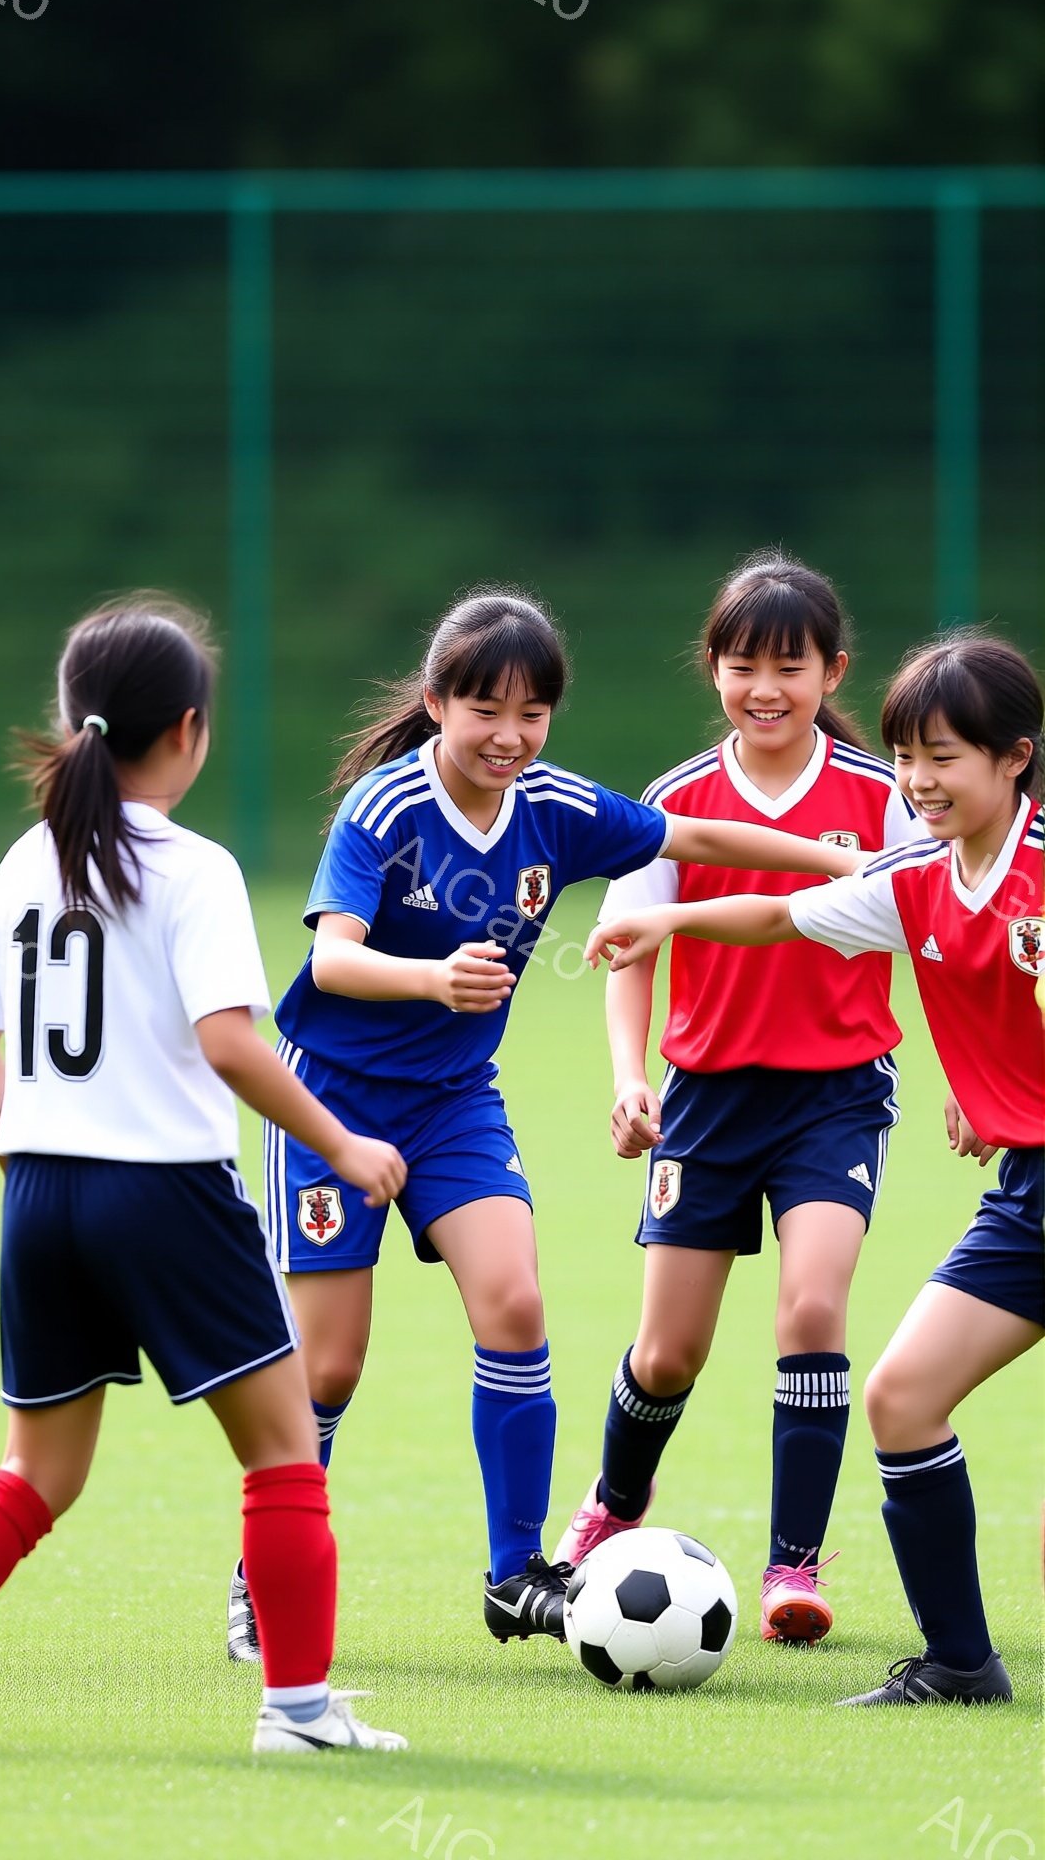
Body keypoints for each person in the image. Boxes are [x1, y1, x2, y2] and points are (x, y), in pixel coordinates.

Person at [228, 586, 865, 1659]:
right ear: (437, 703)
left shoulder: (556, 807)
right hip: (330, 1098)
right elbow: (330, 958)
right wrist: (432, 978)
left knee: (516, 1301)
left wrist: (840, 863)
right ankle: (261, 1580)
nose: (509, 735)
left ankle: (516, 1571)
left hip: (454, 1105)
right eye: (486, 710)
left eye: (533, 714)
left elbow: (699, 831)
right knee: (329, 1366)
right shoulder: (383, 812)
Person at [0, 595, 409, 1755]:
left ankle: (302, 1709)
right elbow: (228, 1041)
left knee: (34, 1478)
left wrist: (24, 1153)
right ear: (193, 730)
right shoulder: (194, 867)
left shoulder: (23, 859)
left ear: (76, 724)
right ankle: (299, 1715)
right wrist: (344, 1143)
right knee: (282, 1450)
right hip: (164, 1191)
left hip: (40, 1195)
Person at [584, 630, 1043, 1704]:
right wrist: (667, 916)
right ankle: (961, 1666)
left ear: (1013, 759)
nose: (921, 781)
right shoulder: (920, 877)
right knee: (903, 1396)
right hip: (1028, 1192)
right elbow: (777, 915)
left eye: (947, 758)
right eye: (909, 757)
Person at [552, 551, 922, 1645]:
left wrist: (971, 1079)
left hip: (837, 1098)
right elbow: (627, 951)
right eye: (744, 663)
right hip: (704, 1102)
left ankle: (792, 1570)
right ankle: (614, 1506)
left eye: (790, 666)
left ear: (832, 671)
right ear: (712, 667)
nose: (766, 687)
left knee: (812, 1307)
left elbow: (936, 936)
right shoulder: (671, 803)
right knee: (668, 1353)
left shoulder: (882, 798)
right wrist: (630, 1079)